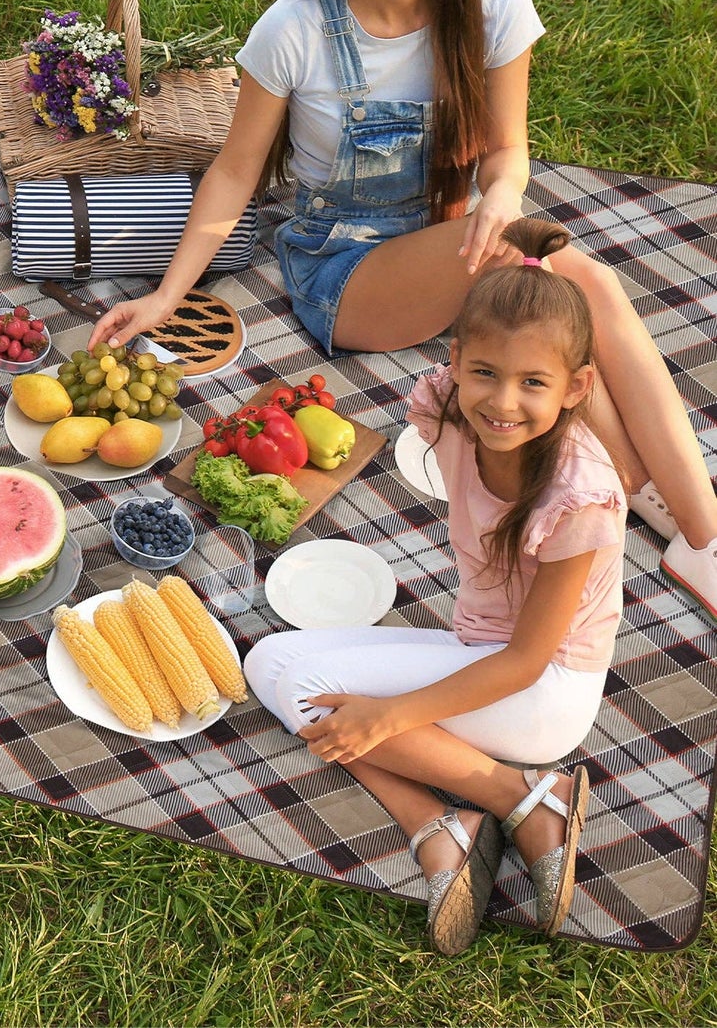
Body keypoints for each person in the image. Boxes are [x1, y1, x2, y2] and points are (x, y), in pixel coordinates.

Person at [89, 0, 717, 620]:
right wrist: (168, 295)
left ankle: (664, 506)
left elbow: (508, 152)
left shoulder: (494, 4)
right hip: (344, 270)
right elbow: (234, 172)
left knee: (571, 295)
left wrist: (501, 194)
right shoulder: (295, 28)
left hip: (456, 241)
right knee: (569, 278)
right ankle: (698, 533)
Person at [246, 221, 623, 953]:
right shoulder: (447, 408)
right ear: (453, 362)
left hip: (541, 689)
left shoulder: (579, 498)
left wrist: (387, 717)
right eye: (484, 371)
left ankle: (520, 796)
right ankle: (438, 819)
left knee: (312, 689)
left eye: (533, 383)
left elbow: (524, 659)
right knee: (265, 661)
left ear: (574, 388)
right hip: (477, 645)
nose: (502, 402)